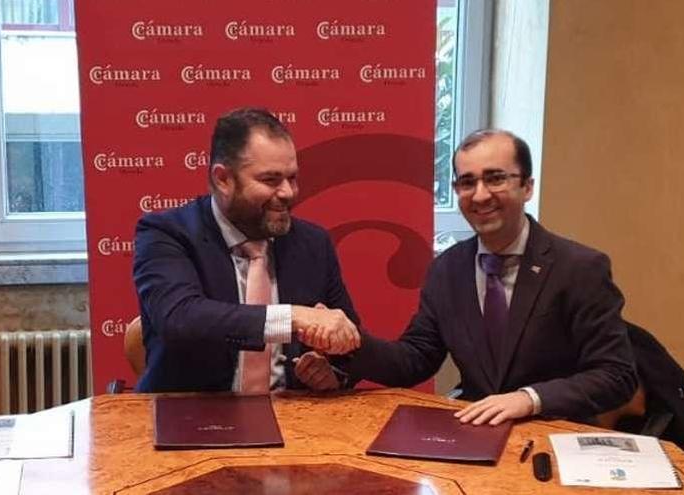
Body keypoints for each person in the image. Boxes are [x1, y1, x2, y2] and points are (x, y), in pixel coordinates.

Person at [345, 129, 638, 425]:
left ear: (527, 187)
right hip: (476, 436)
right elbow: (415, 360)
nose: (481, 195)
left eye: (495, 178)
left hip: (556, 436)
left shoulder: (579, 268)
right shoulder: (447, 269)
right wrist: (350, 342)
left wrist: (529, 399)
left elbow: (616, 375)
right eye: (467, 182)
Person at [133, 107, 360, 393]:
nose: (288, 192)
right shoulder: (167, 233)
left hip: (294, 420)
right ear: (223, 179)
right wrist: (293, 317)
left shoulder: (313, 243)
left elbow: (349, 344)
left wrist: (332, 373)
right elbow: (180, 319)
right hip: (190, 418)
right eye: (271, 180)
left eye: (292, 178)